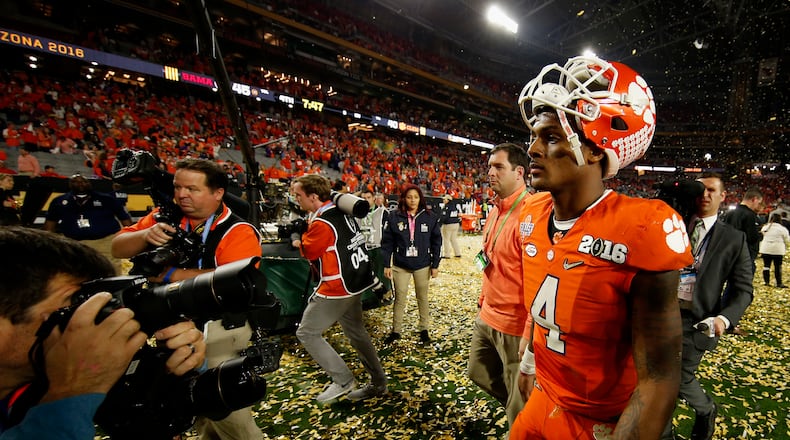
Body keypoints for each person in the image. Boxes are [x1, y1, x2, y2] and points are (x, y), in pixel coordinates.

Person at [509, 55, 693, 439]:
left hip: (600, 423)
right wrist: (528, 363)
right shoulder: (531, 210)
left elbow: (659, 377)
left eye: (552, 137)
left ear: (594, 150)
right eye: (535, 136)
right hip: (544, 396)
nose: (533, 150)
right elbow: (543, 314)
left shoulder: (642, 228)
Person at [0, 227, 205, 438]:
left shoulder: (29, 390)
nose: (92, 325)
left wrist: (172, 364)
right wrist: (73, 391)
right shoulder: (59, 387)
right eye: (73, 310)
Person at [111, 158, 263, 440]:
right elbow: (117, 246)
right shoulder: (165, 215)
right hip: (172, 324)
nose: (182, 195)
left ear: (217, 193)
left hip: (217, 328)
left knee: (227, 412)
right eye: (178, 187)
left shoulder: (238, 230)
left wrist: (171, 275)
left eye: (192, 189)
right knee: (190, 403)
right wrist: (146, 234)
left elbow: (235, 282)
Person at [660, 172, 754, 440]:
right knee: (657, 378)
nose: (705, 195)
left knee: (677, 378)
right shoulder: (673, 222)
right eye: (700, 190)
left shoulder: (734, 239)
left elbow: (744, 290)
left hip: (697, 320)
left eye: (712, 190)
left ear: (723, 196)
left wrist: (724, 319)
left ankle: (704, 409)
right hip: (661, 315)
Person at [290, 175, 388, 403]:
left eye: (298, 195)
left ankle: (343, 380)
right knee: (357, 333)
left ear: (313, 197)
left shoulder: (322, 222)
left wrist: (297, 238)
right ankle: (378, 383)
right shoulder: (340, 211)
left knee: (306, 332)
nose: (296, 199)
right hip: (354, 283)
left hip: (336, 288)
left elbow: (309, 251)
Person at [467, 142, 532, 428]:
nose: (490, 172)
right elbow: (491, 260)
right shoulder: (495, 209)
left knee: (518, 405)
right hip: (487, 314)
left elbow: (537, 277)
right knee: (477, 371)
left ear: (519, 172)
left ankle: (523, 423)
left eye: (498, 167)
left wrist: (530, 329)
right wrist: (483, 299)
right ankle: (525, 414)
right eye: (490, 166)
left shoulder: (532, 212)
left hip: (514, 325)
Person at [380, 184, 442, 344]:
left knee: (422, 297)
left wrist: (435, 265)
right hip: (401, 265)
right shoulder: (394, 216)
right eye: (409, 197)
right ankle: (396, 331)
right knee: (400, 298)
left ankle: (424, 329)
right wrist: (387, 264)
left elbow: (437, 242)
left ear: (420, 198)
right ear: (404, 199)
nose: (412, 200)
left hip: (423, 264)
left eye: (415, 197)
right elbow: (387, 243)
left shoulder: (430, 217)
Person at [45, 174, 133, 275]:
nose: (80, 184)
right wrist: (48, 244)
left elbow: (124, 218)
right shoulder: (59, 201)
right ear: (69, 184)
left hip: (105, 241)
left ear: (89, 183)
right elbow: (50, 224)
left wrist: (130, 237)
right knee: (78, 273)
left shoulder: (106, 199)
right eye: (75, 181)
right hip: (74, 243)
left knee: (112, 270)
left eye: (83, 181)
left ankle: (116, 290)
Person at [357, 189, 392, 301]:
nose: (366, 200)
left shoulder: (383, 212)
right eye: (363, 198)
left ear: (373, 198)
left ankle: (386, 296)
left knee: (381, 272)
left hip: (378, 247)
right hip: (363, 248)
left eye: (368, 197)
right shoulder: (356, 213)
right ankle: (368, 298)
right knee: (365, 273)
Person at [722, 186, 763, 269]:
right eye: (759, 203)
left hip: (730, 255)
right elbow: (752, 237)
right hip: (745, 256)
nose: (758, 206)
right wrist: (760, 235)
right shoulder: (750, 215)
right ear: (754, 199)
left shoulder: (729, 213)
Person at [759, 213, 790, 287]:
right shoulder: (782, 229)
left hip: (766, 249)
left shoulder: (765, 227)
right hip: (777, 250)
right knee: (777, 266)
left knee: (766, 266)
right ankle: (779, 283)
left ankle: (766, 282)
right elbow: (787, 239)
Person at [439, 194, 463, 258]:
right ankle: (457, 253)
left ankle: (447, 254)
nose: (443, 200)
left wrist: (439, 224)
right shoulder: (454, 206)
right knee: (453, 239)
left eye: (445, 199)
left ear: (448, 200)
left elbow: (444, 217)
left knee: (446, 239)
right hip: (456, 224)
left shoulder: (446, 207)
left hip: (448, 225)